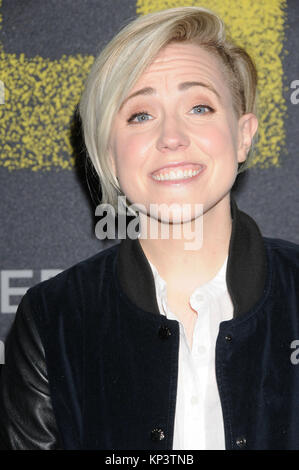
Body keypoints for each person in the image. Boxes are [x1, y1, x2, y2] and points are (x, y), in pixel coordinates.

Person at [0, 5, 298, 451]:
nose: (172, 137)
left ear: (244, 135)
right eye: (141, 115)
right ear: (108, 152)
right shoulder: (53, 317)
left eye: (199, 107)